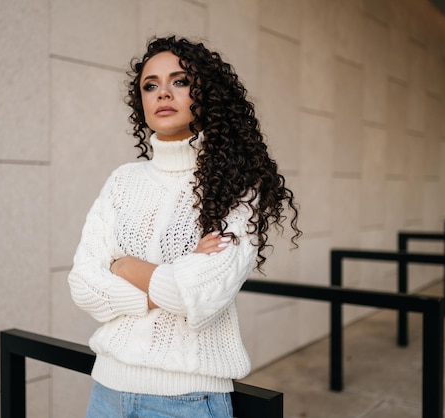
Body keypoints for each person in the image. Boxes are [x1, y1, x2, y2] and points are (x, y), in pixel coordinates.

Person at [68, 36, 301, 418]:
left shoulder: (236, 184)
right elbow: (82, 284)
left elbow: (203, 296)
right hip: (106, 392)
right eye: (150, 85)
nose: (163, 93)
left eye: (179, 81)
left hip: (186, 402)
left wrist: (123, 266)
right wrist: (172, 276)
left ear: (205, 93)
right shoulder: (123, 180)